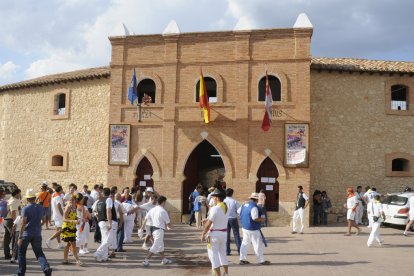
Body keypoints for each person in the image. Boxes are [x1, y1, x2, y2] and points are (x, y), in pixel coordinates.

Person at [17, 189, 52, 276]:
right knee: (39, 252)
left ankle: (21, 273)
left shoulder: (25, 208)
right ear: (34, 198)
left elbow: (23, 223)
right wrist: (38, 225)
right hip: (37, 233)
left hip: (26, 233)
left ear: (28, 199)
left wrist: (20, 236)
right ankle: (45, 267)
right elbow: (43, 220)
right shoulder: (41, 208)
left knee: (21, 253)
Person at [201, 188, 229, 276]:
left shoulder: (215, 208)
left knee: (213, 256)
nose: (213, 199)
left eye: (213, 197)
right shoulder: (226, 207)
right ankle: (226, 273)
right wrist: (208, 219)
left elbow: (209, 224)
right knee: (222, 255)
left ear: (217, 197)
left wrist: (203, 234)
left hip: (214, 235)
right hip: (223, 233)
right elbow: (219, 218)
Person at [238, 192, 270, 266]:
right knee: (257, 244)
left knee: (245, 243)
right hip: (253, 229)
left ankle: (242, 259)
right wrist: (262, 219)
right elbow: (255, 218)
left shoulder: (244, 205)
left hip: (245, 228)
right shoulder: (254, 207)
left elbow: (238, 212)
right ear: (256, 199)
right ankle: (261, 260)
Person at [142, 195, 172, 267]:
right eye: (165, 202)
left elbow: (145, 219)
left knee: (160, 246)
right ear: (163, 202)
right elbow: (168, 223)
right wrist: (169, 226)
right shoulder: (163, 211)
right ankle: (146, 260)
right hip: (159, 230)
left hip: (153, 229)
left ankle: (164, 259)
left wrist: (141, 228)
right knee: (156, 246)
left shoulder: (152, 209)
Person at [93, 187, 116, 262]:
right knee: (108, 240)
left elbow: (95, 211)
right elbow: (108, 211)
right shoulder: (108, 199)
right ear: (109, 193)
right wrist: (109, 223)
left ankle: (104, 256)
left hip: (101, 221)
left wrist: (98, 218)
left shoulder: (99, 201)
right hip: (106, 221)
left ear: (103, 193)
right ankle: (97, 253)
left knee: (104, 239)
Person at [61, 193, 83, 266]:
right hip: (67, 228)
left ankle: (65, 259)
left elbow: (74, 217)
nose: (71, 200)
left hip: (72, 227)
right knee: (73, 244)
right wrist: (73, 221)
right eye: (70, 199)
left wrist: (77, 219)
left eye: (73, 199)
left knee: (68, 244)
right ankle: (77, 260)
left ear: (76, 200)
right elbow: (64, 219)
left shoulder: (75, 206)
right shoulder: (68, 207)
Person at [4, 188, 21, 260]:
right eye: (19, 193)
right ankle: (14, 255)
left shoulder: (10, 199)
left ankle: (7, 254)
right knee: (15, 237)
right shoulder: (14, 201)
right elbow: (13, 212)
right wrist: (15, 223)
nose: (20, 195)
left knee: (7, 238)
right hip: (11, 221)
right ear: (17, 193)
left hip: (6, 220)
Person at [223, 188, 241, 256]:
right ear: (232, 193)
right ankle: (239, 250)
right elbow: (239, 210)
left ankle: (227, 251)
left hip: (225, 219)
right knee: (236, 234)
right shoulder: (234, 201)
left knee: (227, 235)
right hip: (233, 218)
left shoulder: (223, 201)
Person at [46, 185, 64, 249]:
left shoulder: (53, 195)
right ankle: (49, 240)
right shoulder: (58, 197)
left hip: (55, 215)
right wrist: (63, 215)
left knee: (57, 230)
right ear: (60, 190)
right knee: (62, 230)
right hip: (59, 216)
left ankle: (59, 244)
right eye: (62, 189)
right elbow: (59, 206)